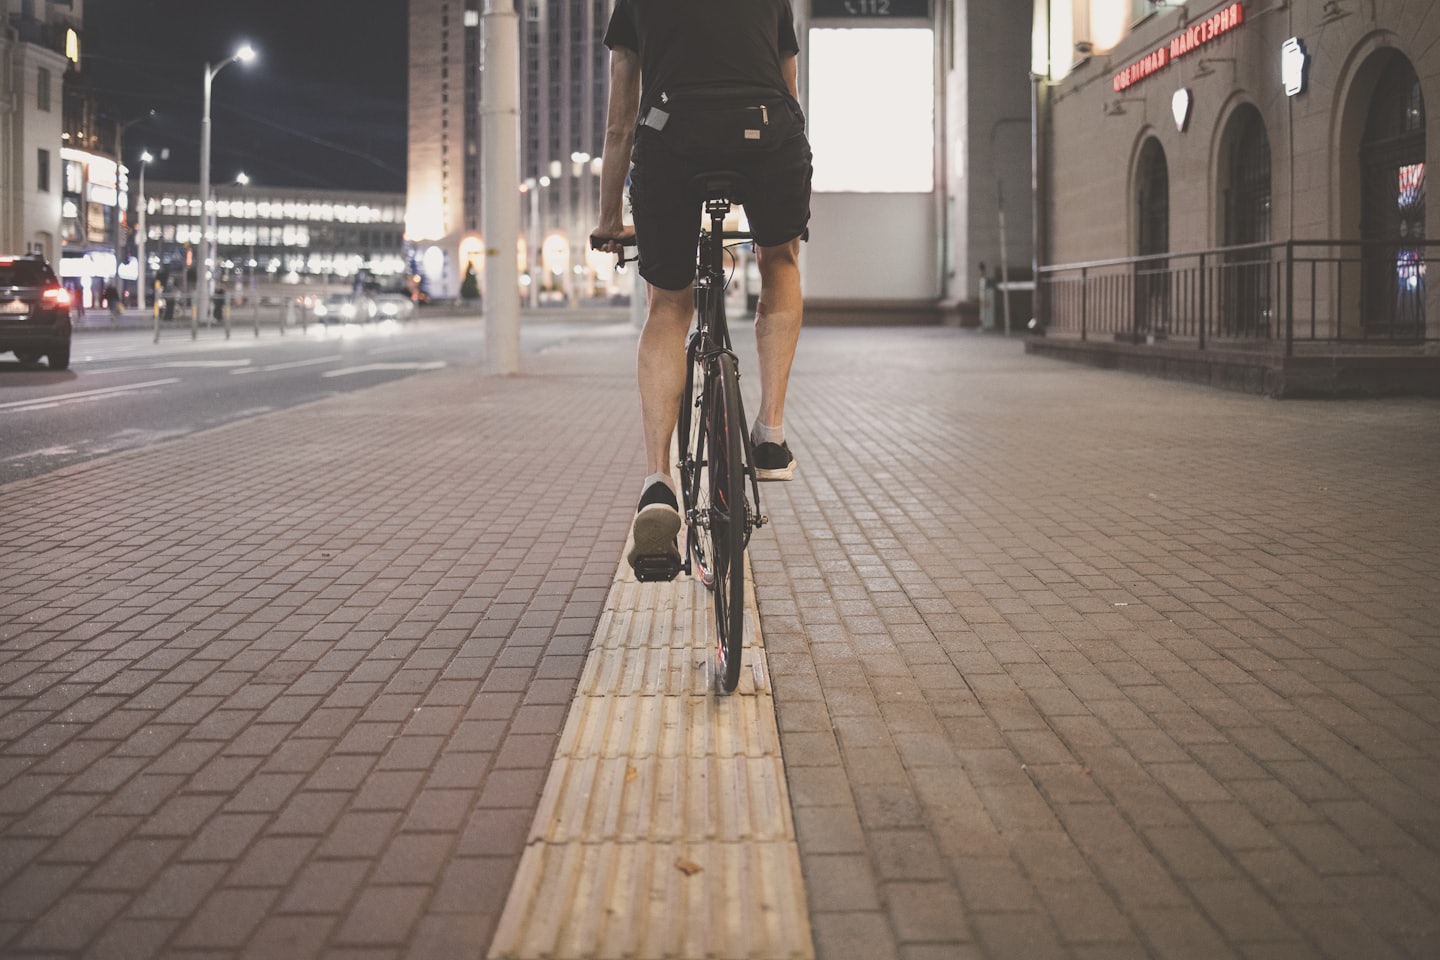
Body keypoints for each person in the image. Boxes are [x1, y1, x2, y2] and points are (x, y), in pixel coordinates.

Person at [591, 0, 812, 577]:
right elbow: (790, 89)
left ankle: (659, 483)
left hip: (672, 138)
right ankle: (770, 434)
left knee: (668, 304)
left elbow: (620, 120)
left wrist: (609, 216)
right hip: (767, 134)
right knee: (780, 258)